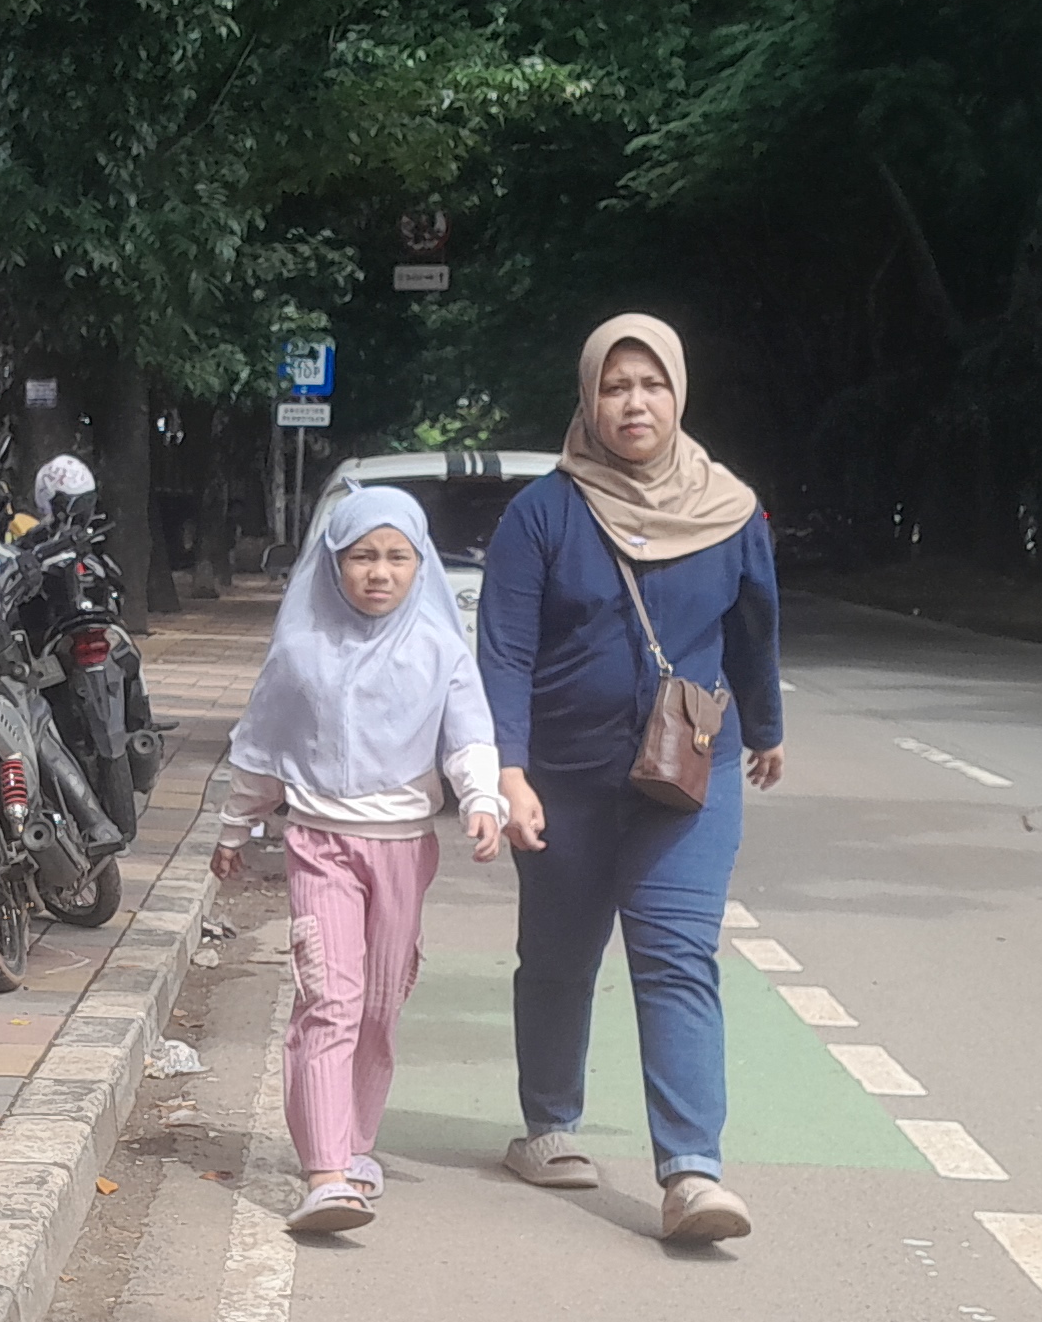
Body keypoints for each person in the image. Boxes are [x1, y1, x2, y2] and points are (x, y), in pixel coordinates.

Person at [480, 315, 785, 1244]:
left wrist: (766, 730)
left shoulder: (730, 510)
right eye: (615, 387)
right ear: (589, 400)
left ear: (679, 394)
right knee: (561, 958)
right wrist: (508, 769)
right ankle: (550, 1126)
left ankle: (691, 1174)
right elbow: (502, 649)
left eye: (651, 384)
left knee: (676, 954)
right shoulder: (545, 512)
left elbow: (754, 632)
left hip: (685, 778)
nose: (634, 402)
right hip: (564, 782)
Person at [214, 487, 506, 1235]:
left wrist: (481, 800)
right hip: (318, 843)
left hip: (406, 848)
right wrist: (234, 828)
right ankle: (325, 1172)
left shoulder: (441, 650)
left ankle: (357, 1146)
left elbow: (469, 736)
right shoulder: (301, 651)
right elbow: (263, 747)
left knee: (380, 1006)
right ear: (334, 564)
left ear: (420, 565)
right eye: (362, 557)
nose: (379, 573)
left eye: (397, 557)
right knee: (330, 1000)